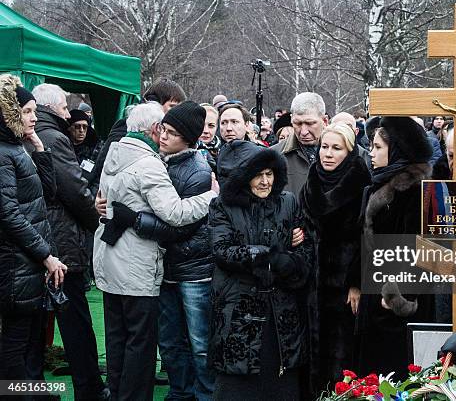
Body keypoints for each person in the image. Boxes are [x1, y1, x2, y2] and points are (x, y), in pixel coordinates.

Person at [93, 102, 217, 401]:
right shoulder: (149, 162)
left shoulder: (117, 152)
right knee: (148, 342)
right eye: (163, 130)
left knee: (138, 340)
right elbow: (175, 215)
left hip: (140, 264)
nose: (163, 137)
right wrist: (211, 197)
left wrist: (125, 215)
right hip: (140, 265)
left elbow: (176, 224)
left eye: (171, 132)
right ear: (152, 129)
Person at [208, 140, 313, 401]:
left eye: (269, 174)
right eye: (258, 175)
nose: (265, 182)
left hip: (281, 305)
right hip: (238, 306)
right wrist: (268, 256)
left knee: (280, 377)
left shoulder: (287, 201)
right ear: (244, 178)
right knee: (238, 381)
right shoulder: (222, 205)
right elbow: (223, 250)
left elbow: (304, 248)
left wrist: (290, 262)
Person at [31, 82, 108, 400]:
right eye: (64, 107)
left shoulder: (31, 139)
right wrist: (96, 220)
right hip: (60, 244)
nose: (68, 113)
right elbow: (74, 190)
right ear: (50, 108)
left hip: (37, 243)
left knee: (30, 330)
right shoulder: (53, 139)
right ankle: (89, 390)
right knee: (75, 322)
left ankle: (30, 390)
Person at [0, 74, 67, 388]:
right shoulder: (3, 153)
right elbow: (9, 215)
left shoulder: (17, 148)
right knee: (15, 345)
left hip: (26, 264)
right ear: (9, 113)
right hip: (16, 264)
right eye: (26, 111)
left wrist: (39, 148)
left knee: (28, 343)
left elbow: (48, 195)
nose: (34, 116)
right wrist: (47, 257)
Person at [356, 116, 435, 375]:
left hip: (396, 307)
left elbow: (419, 249)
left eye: (378, 147)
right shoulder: (378, 184)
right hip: (375, 297)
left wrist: (396, 297)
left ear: (397, 149)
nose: (371, 153)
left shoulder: (414, 191)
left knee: (397, 374)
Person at [299, 123, 371, 388]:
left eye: (336, 148)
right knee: (314, 356)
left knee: (344, 360)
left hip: (345, 288)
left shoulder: (363, 186)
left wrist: (357, 282)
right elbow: (302, 226)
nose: (327, 154)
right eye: (324, 147)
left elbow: (368, 239)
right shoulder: (311, 182)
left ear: (350, 152)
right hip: (313, 286)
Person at [91, 78, 187, 190]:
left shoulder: (164, 132)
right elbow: (105, 164)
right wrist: (101, 196)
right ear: (155, 103)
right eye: (172, 107)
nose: (176, 113)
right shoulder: (128, 126)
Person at [68, 109, 103, 185]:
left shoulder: (96, 148)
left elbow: (100, 176)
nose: (81, 130)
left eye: (85, 127)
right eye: (77, 127)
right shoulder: (63, 147)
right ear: (69, 128)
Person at [198, 104, 221, 170]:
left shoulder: (224, 150)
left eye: (211, 126)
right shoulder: (185, 150)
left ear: (216, 127)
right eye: (201, 125)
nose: (206, 131)